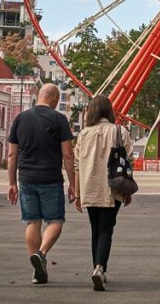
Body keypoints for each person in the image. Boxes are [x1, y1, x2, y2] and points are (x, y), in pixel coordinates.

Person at [7, 83, 77, 285]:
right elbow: (68, 154)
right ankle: (42, 253)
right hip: (50, 179)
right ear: (55, 98)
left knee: (32, 222)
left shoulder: (20, 118)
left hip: (26, 179)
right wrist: (73, 183)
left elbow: (12, 154)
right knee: (55, 221)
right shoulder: (59, 119)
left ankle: (36, 269)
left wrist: (12, 182)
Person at [73, 95, 132, 291]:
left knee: (95, 229)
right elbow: (128, 161)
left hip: (90, 186)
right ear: (109, 111)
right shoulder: (120, 131)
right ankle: (100, 268)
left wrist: (77, 192)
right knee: (107, 228)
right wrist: (127, 191)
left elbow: (76, 164)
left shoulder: (83, 134)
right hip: (112, 187)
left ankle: (97, 268)